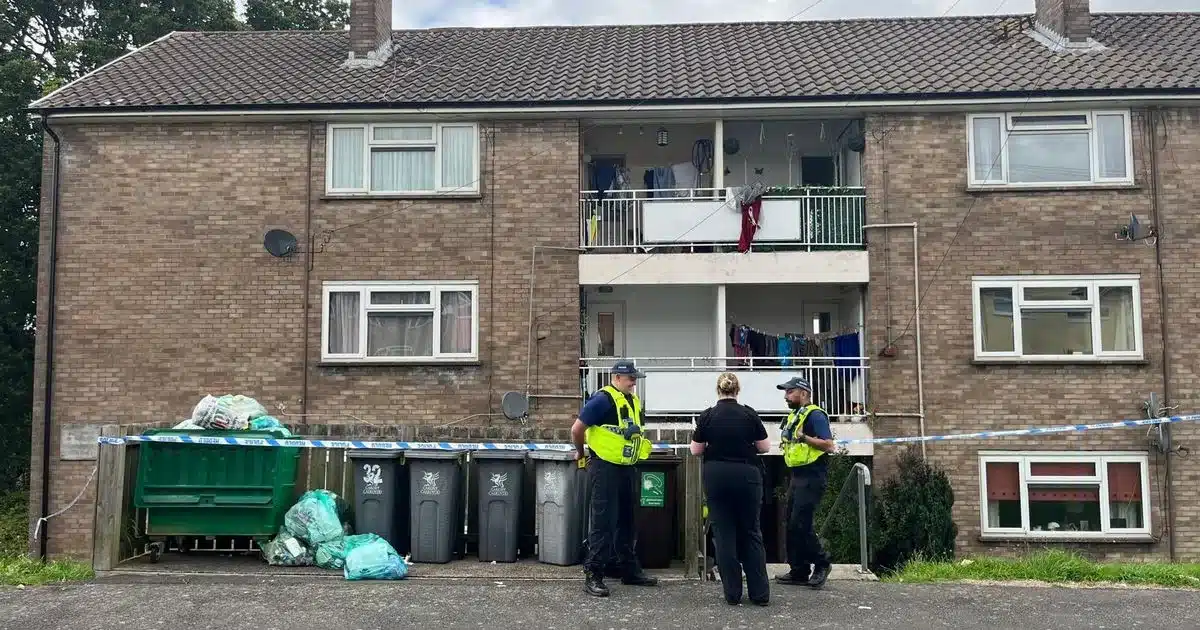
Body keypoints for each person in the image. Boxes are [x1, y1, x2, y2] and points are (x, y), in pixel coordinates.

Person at [570, 360, 658, 598]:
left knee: (627, 522)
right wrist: (580, 452)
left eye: (635, 378)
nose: (634, 382)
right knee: (602, 522)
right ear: (616, 378)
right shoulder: (602, 399)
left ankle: (628, 570)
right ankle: (593, 575)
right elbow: (577, 429)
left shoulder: (632, 401)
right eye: (630, 378)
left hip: (626, 468)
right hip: (605, 467)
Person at [690, 372, 772, 606]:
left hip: (716, 476)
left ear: (718, 391)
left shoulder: (707, 416)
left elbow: (696, 451)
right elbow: (764, 447)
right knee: (751, 532)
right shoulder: (749, 414)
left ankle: (732, 594)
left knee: (724, 534)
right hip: (747, 476)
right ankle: (759, 595)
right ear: (737, 391)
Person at [774, 376, 837, 588]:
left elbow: (829, 445)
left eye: (789, 392)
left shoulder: (815, 415)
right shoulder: (795, 415)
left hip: (812, 475)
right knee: (790, 524)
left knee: (801, 523)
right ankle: (799, 570)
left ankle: (822, 563)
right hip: (797, 475)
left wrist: (804, 438)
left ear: (803, 393)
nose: (786, 396)